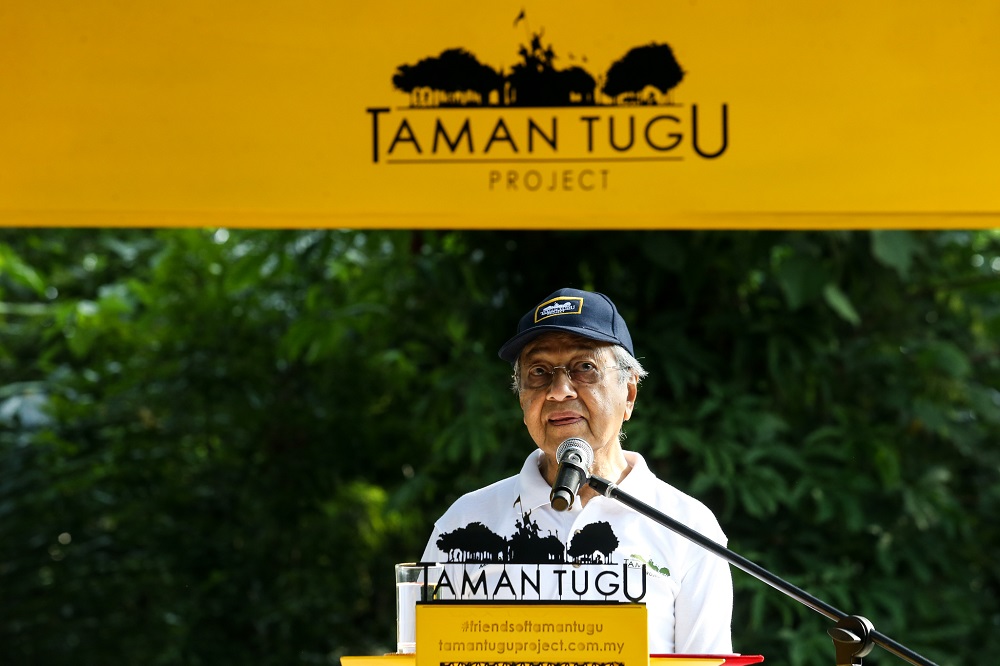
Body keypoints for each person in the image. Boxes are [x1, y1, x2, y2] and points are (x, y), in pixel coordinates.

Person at [421, 287, 733, 654]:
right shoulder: (464, 523)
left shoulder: (688, 527)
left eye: (584, 368)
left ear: (629, 394)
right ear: (521, 398)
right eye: (538, 372)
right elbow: (424, 654)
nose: (558, 390)